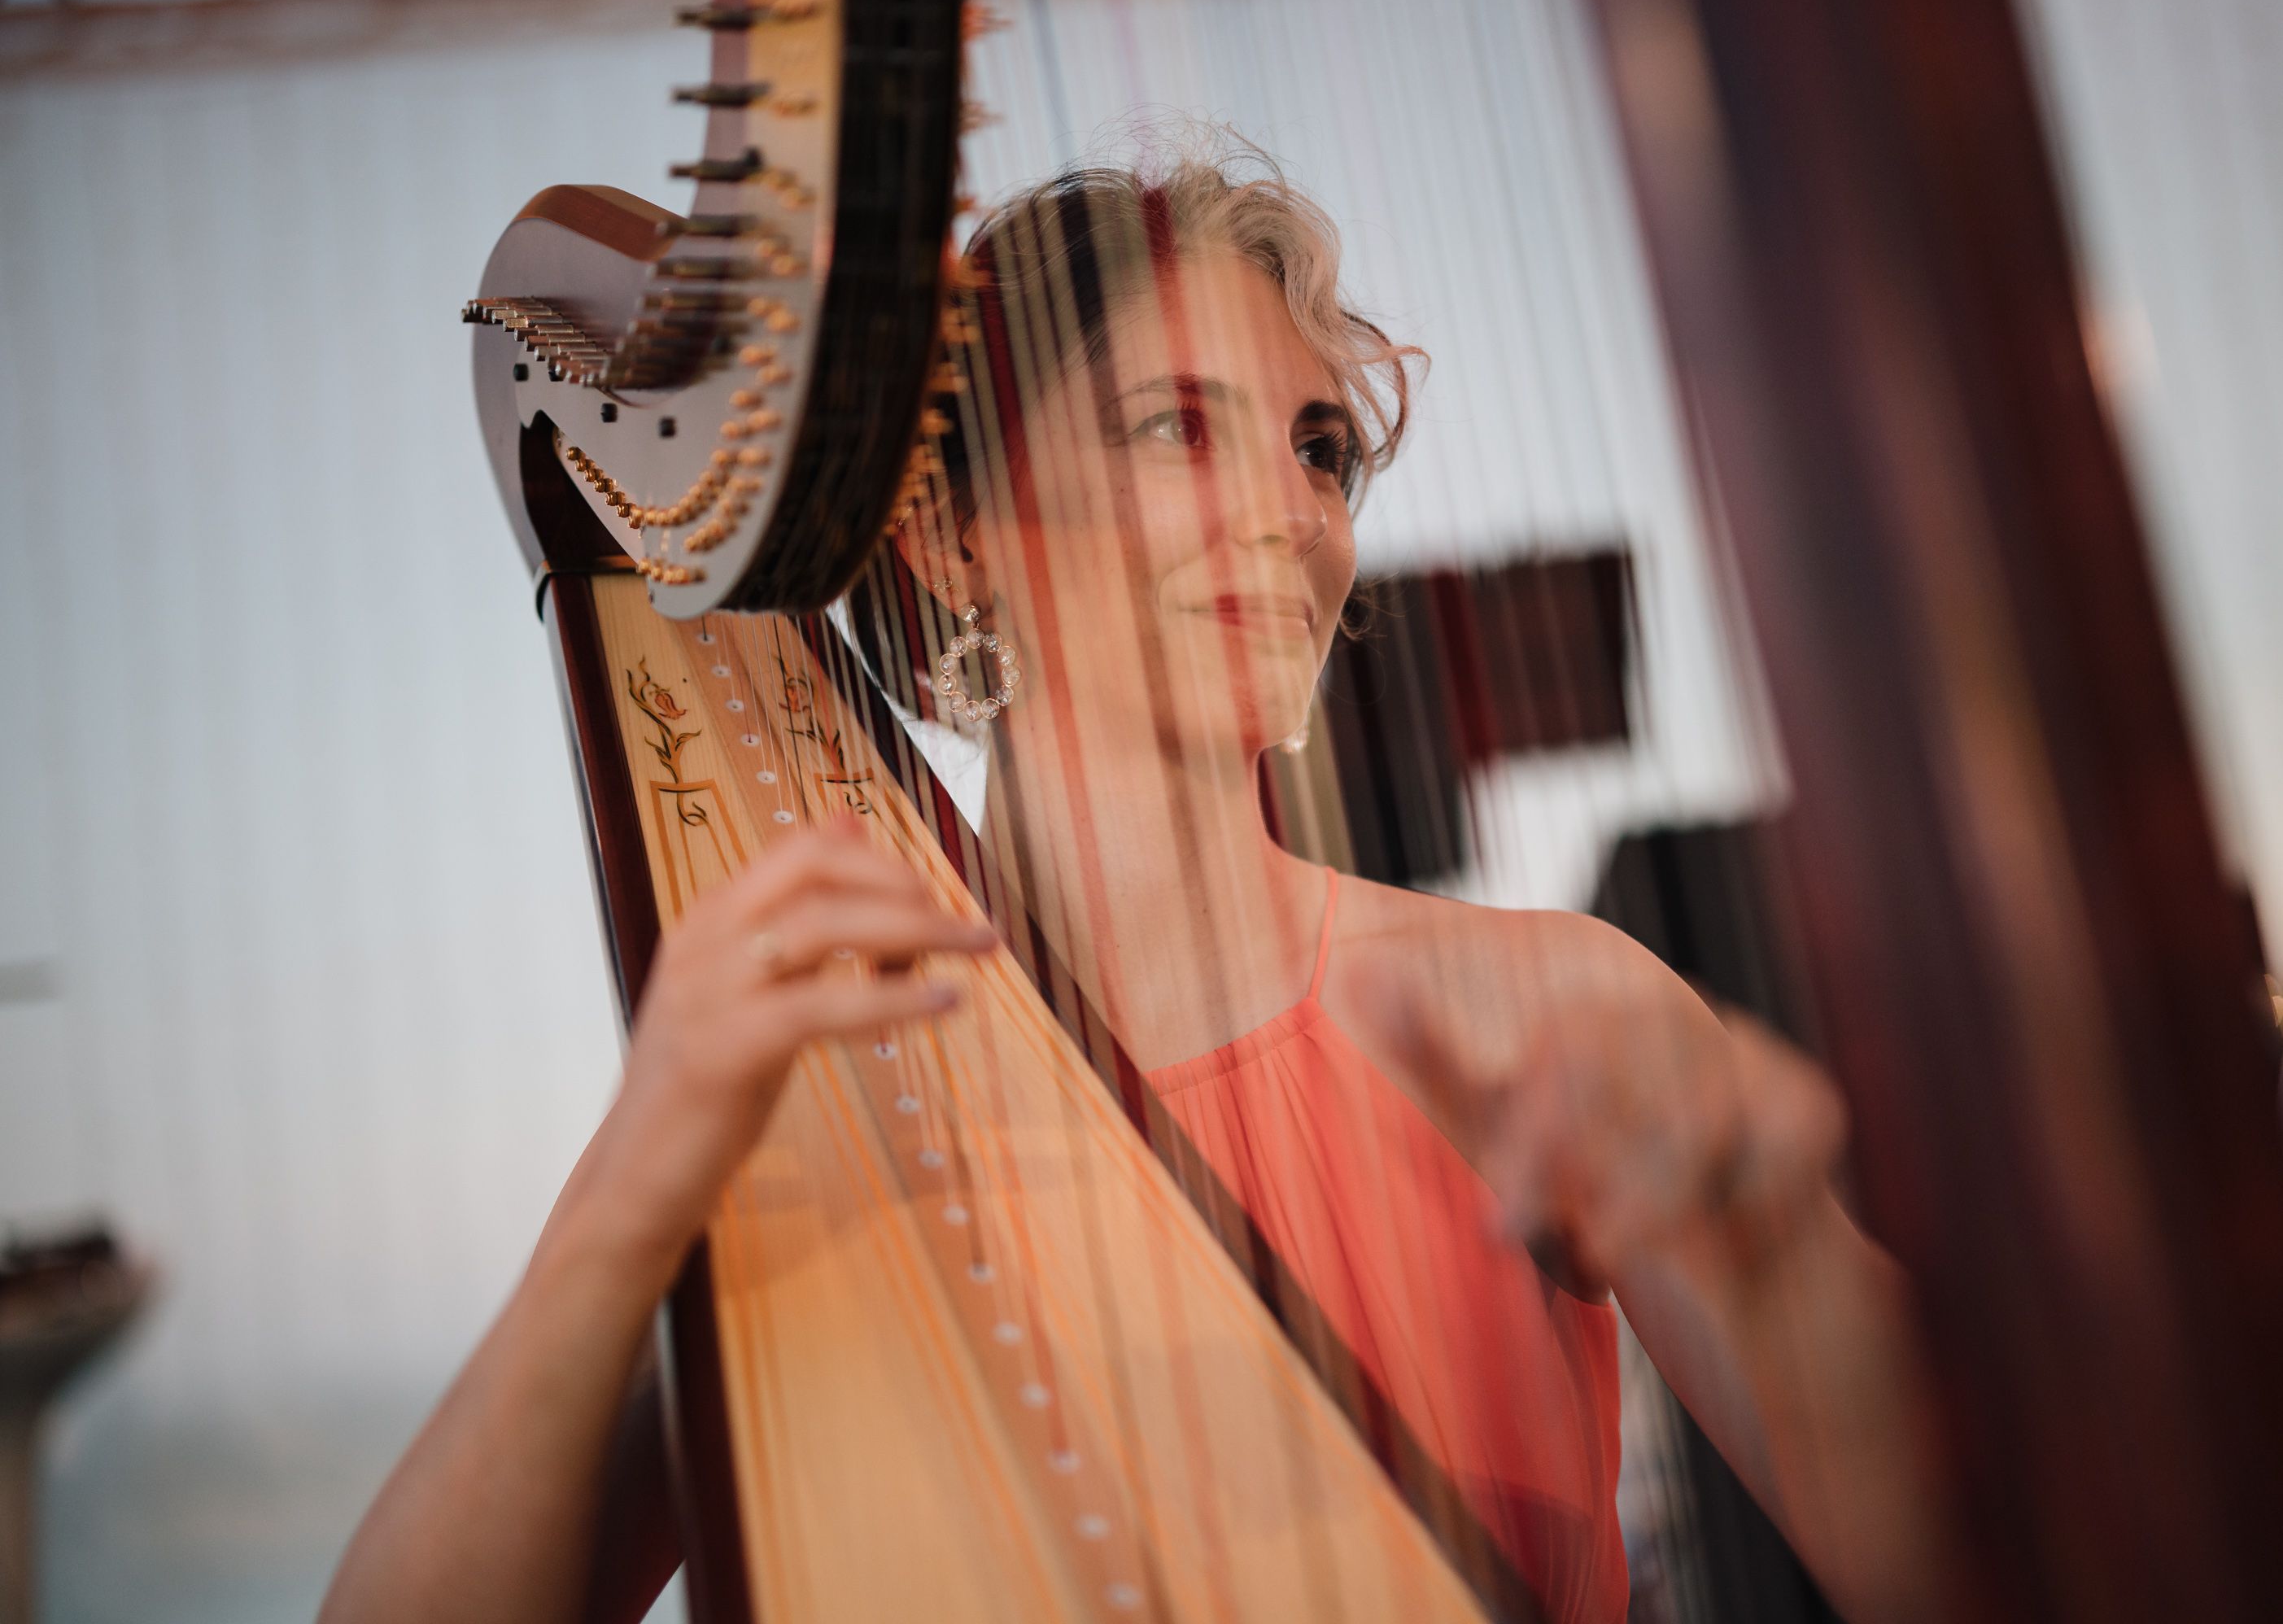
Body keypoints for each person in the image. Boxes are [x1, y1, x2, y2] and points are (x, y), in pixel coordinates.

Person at [325, 143, 1952, 1624]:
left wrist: (1777, 1264)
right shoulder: (834, 1125)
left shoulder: (1545, 1012)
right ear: (956, 542)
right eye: (1178, 426)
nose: (1289, 517)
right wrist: (630, 1197)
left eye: (1318, 450)